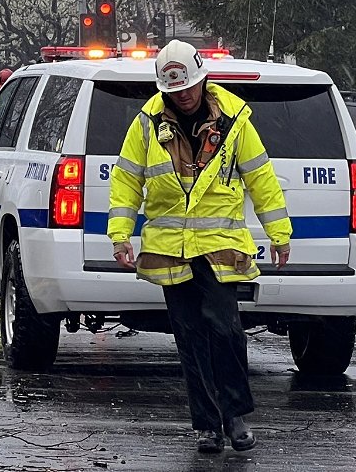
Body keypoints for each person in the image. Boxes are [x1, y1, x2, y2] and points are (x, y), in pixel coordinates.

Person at [108, 40, 292, 454]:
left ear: (202, 78)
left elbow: (261, 178)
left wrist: (279, 234)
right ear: (163, 88)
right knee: (189, 336)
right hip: (172, 247)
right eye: (175, 89)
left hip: (220, 245)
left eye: (189, 86)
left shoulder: (235, 119)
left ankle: (235, 415)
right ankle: (206, 425)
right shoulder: (146, 124)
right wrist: (120, 234)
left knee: (224, 329)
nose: (184, 94)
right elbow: (126, 181)